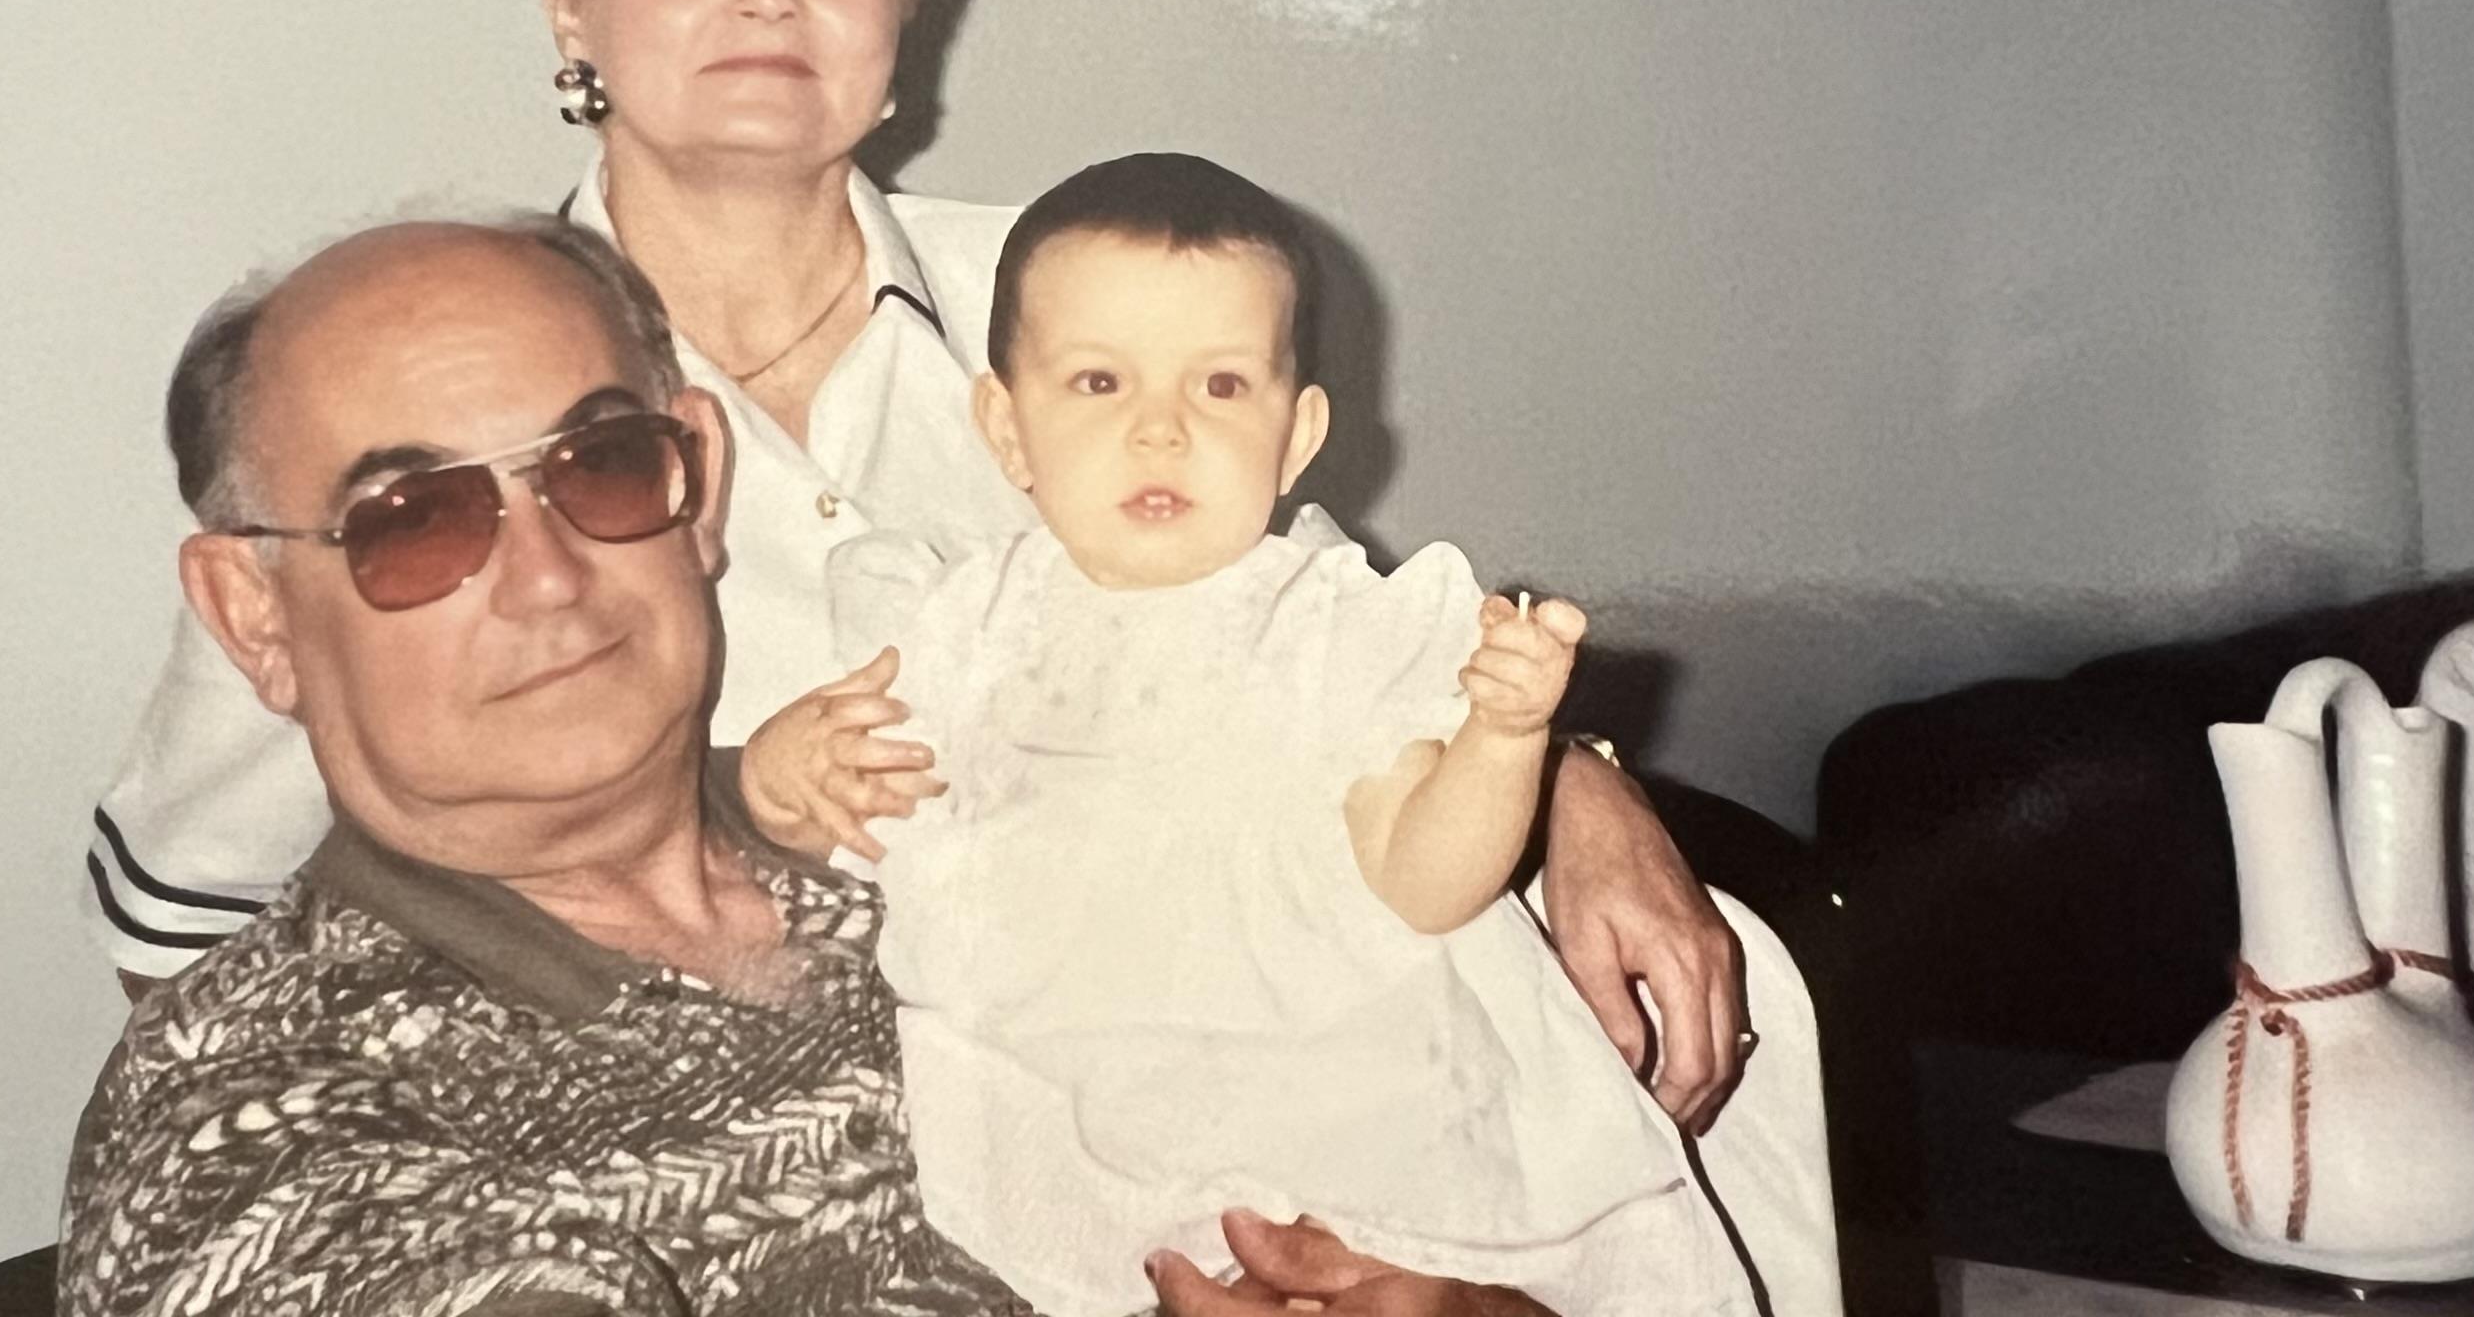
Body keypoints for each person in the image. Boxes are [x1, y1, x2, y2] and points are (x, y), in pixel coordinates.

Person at [79, 0, 1773, 1156]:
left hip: (1169, 1059)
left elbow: (1335, 642)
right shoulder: (442, 395)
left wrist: (1580, 793)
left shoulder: (1072, 291)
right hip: (713, 1124)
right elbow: (189, 912)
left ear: (902, 19)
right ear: (566, 0)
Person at [63, 215, 1562, 1317]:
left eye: (598, 465)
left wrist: (1565, 777)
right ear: (258, 614)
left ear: (697, 488)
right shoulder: (249, 1111)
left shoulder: (948, 797)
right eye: (415, 518)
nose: (546, 578)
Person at [741, 156, 1760, 1317]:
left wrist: (1502, 738)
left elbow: (1428, 882)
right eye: (1096, 384)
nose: (1160, 430)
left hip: (1334, 1111)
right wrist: (788, 776)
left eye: (1220, 387)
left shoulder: (1335, 630)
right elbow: (854, 820)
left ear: (1295, 437)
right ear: (1006, 432)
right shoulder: (955, 620)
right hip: (1055, 1098)